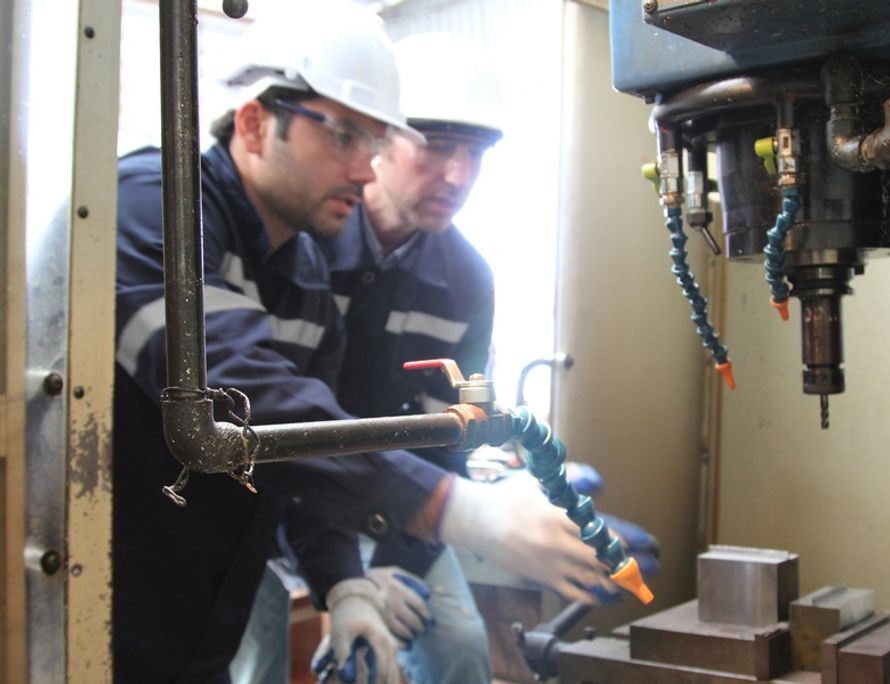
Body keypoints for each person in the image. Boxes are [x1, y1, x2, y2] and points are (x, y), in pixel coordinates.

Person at [113, 4, 608, 683]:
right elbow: (239, 395)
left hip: (208, 579)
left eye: (373, 144)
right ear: (255, 124)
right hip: (105, 575)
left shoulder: (303, 271)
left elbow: (303, 445)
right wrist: (449, 509)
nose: (366, 170)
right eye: (343, 136)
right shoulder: (156, 202)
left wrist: (346, 582)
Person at [314, 32, 509, 684]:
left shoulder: (470, 279)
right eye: (436, 148)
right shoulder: (307, 243)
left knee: (458, 646)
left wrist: (388, 563)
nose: (458, 176)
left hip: (397, 505)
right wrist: (344, 581)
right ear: (378, 141)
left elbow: (457, 434)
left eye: (474, 154)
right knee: (254, 657)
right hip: (278, 504)